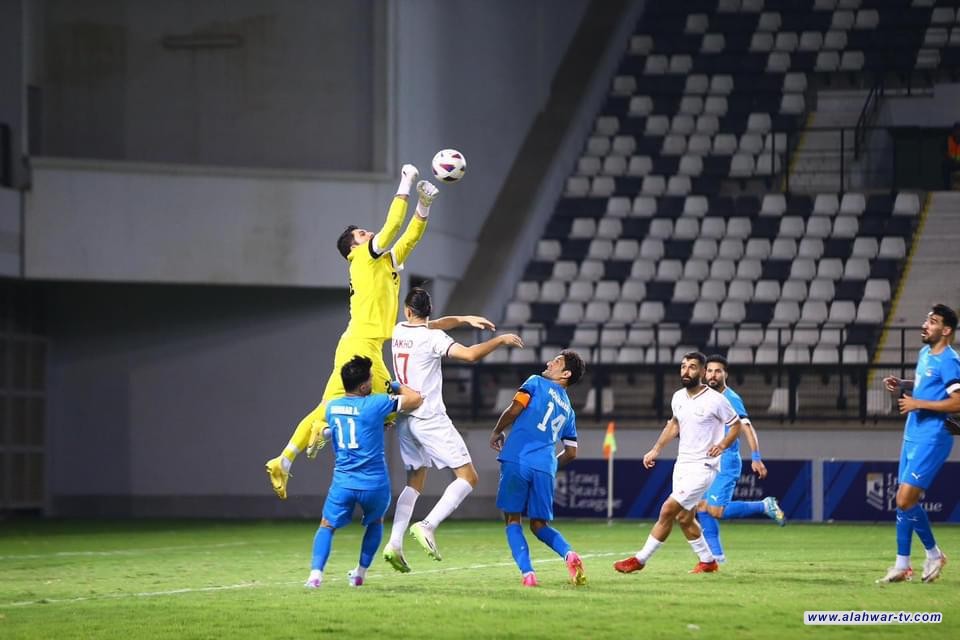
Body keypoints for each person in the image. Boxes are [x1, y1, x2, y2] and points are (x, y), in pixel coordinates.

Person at [266, 164, 438, 500]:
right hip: (361, 346)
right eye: (361, 234)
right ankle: (326, 431)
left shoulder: (385, 260)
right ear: (353, 249)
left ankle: (284, 459)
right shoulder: (362, 259)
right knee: (397, 404)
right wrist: (405, 183)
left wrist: (424, 205)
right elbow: (391, 228)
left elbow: (409, 237)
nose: (368, 233)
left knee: (328, 406)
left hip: (362, 345)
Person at [383, 287, 524, 571]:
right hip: (430, 417)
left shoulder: (399, 330)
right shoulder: (433, 337)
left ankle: (395, 543)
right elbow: (470, 355)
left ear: (408, 311)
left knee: (415, 481)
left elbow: (433, 324)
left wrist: (462, 318)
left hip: (405, 418)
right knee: (468, 477)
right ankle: (427, 525)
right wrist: (499, 340)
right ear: (428, 311)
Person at [614, 351, 746, 575]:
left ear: (703, 372)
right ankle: (708, 562)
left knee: (667, 509)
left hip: (704, 466)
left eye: (692, 367)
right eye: (683, 366)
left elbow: (736, 426)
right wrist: (656, 449)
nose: (686, 371)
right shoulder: (678, 397)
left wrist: (722, 445)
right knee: (685, 518)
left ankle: (640, 559)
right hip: (682, 465)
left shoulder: (716, 400)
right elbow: (674, 425)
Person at [304, 355, 423, 589]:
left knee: (327, 525)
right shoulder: (377, 403)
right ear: (363, 385)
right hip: (374, 483)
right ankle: (360, 573)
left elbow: (352, 425)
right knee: (375, 522)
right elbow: (415, 399)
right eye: (370, 378)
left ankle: (315, 576)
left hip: (344, 482)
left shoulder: (332, 407)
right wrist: (394, 384)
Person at [489, 350, 588, 587]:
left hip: (518, 459)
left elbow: (515, 408)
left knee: (513, 519)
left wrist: (497, 430)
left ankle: (528, 574)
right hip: (544, 468)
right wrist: (552, 464)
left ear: (565, 374)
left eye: (556, 362)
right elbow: (572, 452)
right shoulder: (569, 411)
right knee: (539, 525)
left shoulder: (535, 382)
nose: (548, 363)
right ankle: (569, 554)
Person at [876, 303, 960, 584]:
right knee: (903, 501)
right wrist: (904, 383)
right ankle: (903, 565)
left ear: (946, 330)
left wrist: (916, 403)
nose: (925, 325)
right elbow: (928, 384)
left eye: (933, 321)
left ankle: (932, 555)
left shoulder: (950, 360)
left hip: (934, 437)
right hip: (913, 433)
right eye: (927, 320)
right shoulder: (926, 353)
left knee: (904, 499)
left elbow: (958, 401)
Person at [697, 354, 785, 564]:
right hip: (707, 460)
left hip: (726, 460)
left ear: (725, 374)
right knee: (701, 506)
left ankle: (765, 505)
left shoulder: (731, 398)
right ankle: (717, 558)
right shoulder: (703, 396)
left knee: (717, 510)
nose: (713, 375)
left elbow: (746, 427)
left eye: (718, 371)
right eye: (709, 370)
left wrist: (756, 457)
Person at [944, 122, 960, 190]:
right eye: (956, 130)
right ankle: (947, 188)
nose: (957, 132)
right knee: (945, 164)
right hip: (952, 162)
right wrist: (950, 158)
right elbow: (944, 151)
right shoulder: (948, 140)